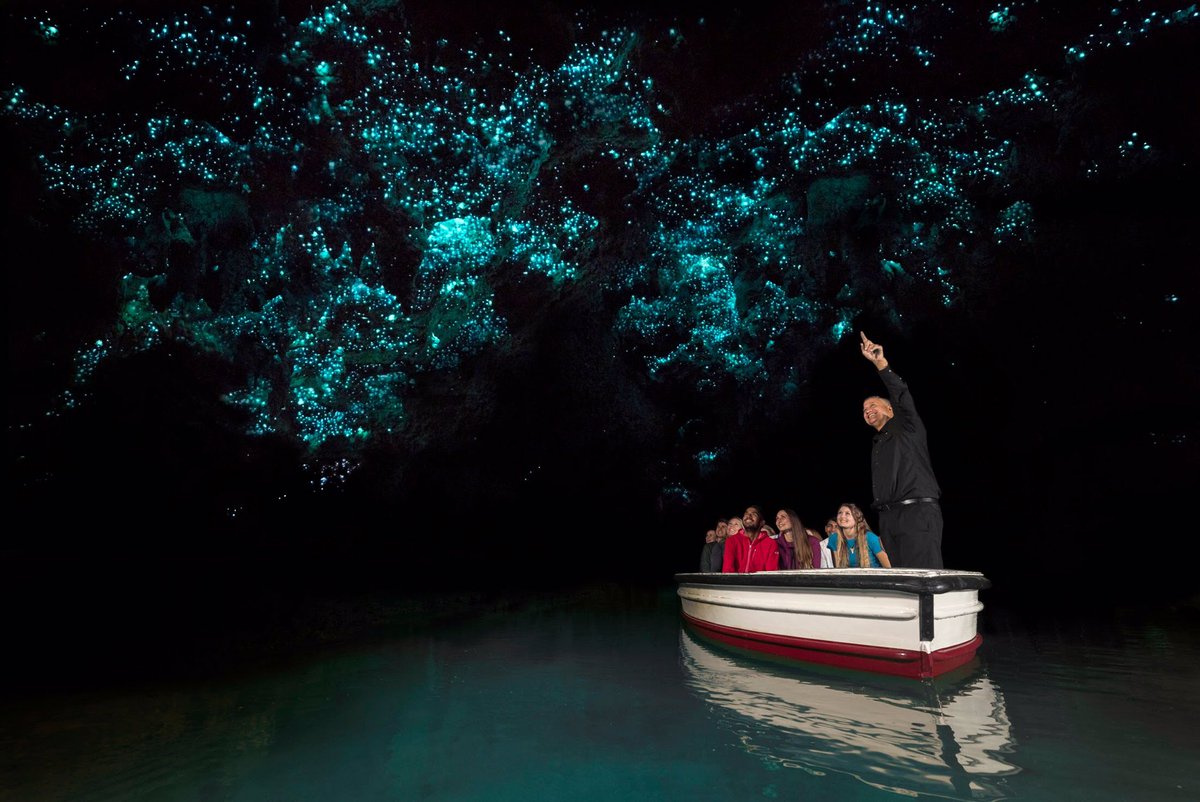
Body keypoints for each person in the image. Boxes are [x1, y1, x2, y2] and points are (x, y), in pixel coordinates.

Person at [859, 331, 944, 568]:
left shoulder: (908, 425)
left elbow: (901, 395)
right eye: (864, 410)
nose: (867, 410)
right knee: (901, 582)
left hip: (916, 513)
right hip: (889, 519)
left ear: (889, 410)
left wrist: (880, 364)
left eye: (873, 405)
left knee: (922, 579)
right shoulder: (877, 444)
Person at [828, 502, 891, 568]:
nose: (842, 516)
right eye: (840, 513)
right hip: (849, 577)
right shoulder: (834, 539)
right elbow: (837, 568)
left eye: (847, 513)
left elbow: (888, 568)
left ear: (857, 518)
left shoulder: (870, 537)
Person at [722, 507, 779, 573]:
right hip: (736, 583)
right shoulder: (732, 541)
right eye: (746, 513)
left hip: (759, 582)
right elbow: (728, 571)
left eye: (754, 514)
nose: (748, 516)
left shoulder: (770, 543)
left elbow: (771, 573)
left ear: (762, 523)